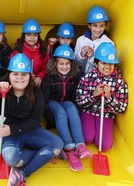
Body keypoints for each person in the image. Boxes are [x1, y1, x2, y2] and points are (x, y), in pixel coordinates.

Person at [0, 53, 64, 186]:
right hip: (10, 135)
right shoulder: (2, 89)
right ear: (9, 75)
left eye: (24, 74)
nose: (19, 78)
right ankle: (46, 155)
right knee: (12, 159)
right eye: (15, 74)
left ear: (30, 76)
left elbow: (35, 120)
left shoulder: (36, 91)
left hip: (30, 130)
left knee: (57, 144)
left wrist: (13, 129)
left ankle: (23, 173)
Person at [42, 44, 92, 172]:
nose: (64, 67)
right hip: (52, 102)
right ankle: (69, 149)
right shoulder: (49, 78)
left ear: (72, 64)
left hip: (66, 102)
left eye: (67, 64)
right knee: (60, 112)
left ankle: (80, 145)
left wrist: (73, 113)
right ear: (55, 64)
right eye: (61, 64)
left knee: (72, 108)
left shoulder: (74, 77)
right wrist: (48, 117)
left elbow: (75, 97)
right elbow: (44, 99)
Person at [76, 42, 128, 152]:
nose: (107, 67)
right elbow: (79, 101)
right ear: (96, 63)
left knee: (104, 147)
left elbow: (122, 109)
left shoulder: (119, 82)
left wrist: (109, 97)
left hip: (106, 114)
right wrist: (93, 94)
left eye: (111, 64)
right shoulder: (87, 78)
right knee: (87, 138)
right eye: (103, 63)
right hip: (88, 112)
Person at [74, 5, 114, 76]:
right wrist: (81, 55)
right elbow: (74, 62)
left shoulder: (108, 43)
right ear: (89, 26)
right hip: (79, 77)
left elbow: (106, 67)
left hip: (96, 80)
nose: (98, 29)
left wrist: (92, 58)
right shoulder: (80, 40)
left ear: (105, 25)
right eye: (95, 26)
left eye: (101, 26)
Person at [10, 19, 49, 88]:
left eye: (35, 35)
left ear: (38, 36)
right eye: (28, 34)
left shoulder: (43, 51)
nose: (32, 37)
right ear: (24, 36)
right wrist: (27, 75)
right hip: (21, 81)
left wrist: (40, 77)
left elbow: (46, 66)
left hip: (37, 81)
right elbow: (12, 69)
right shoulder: (17, 51)